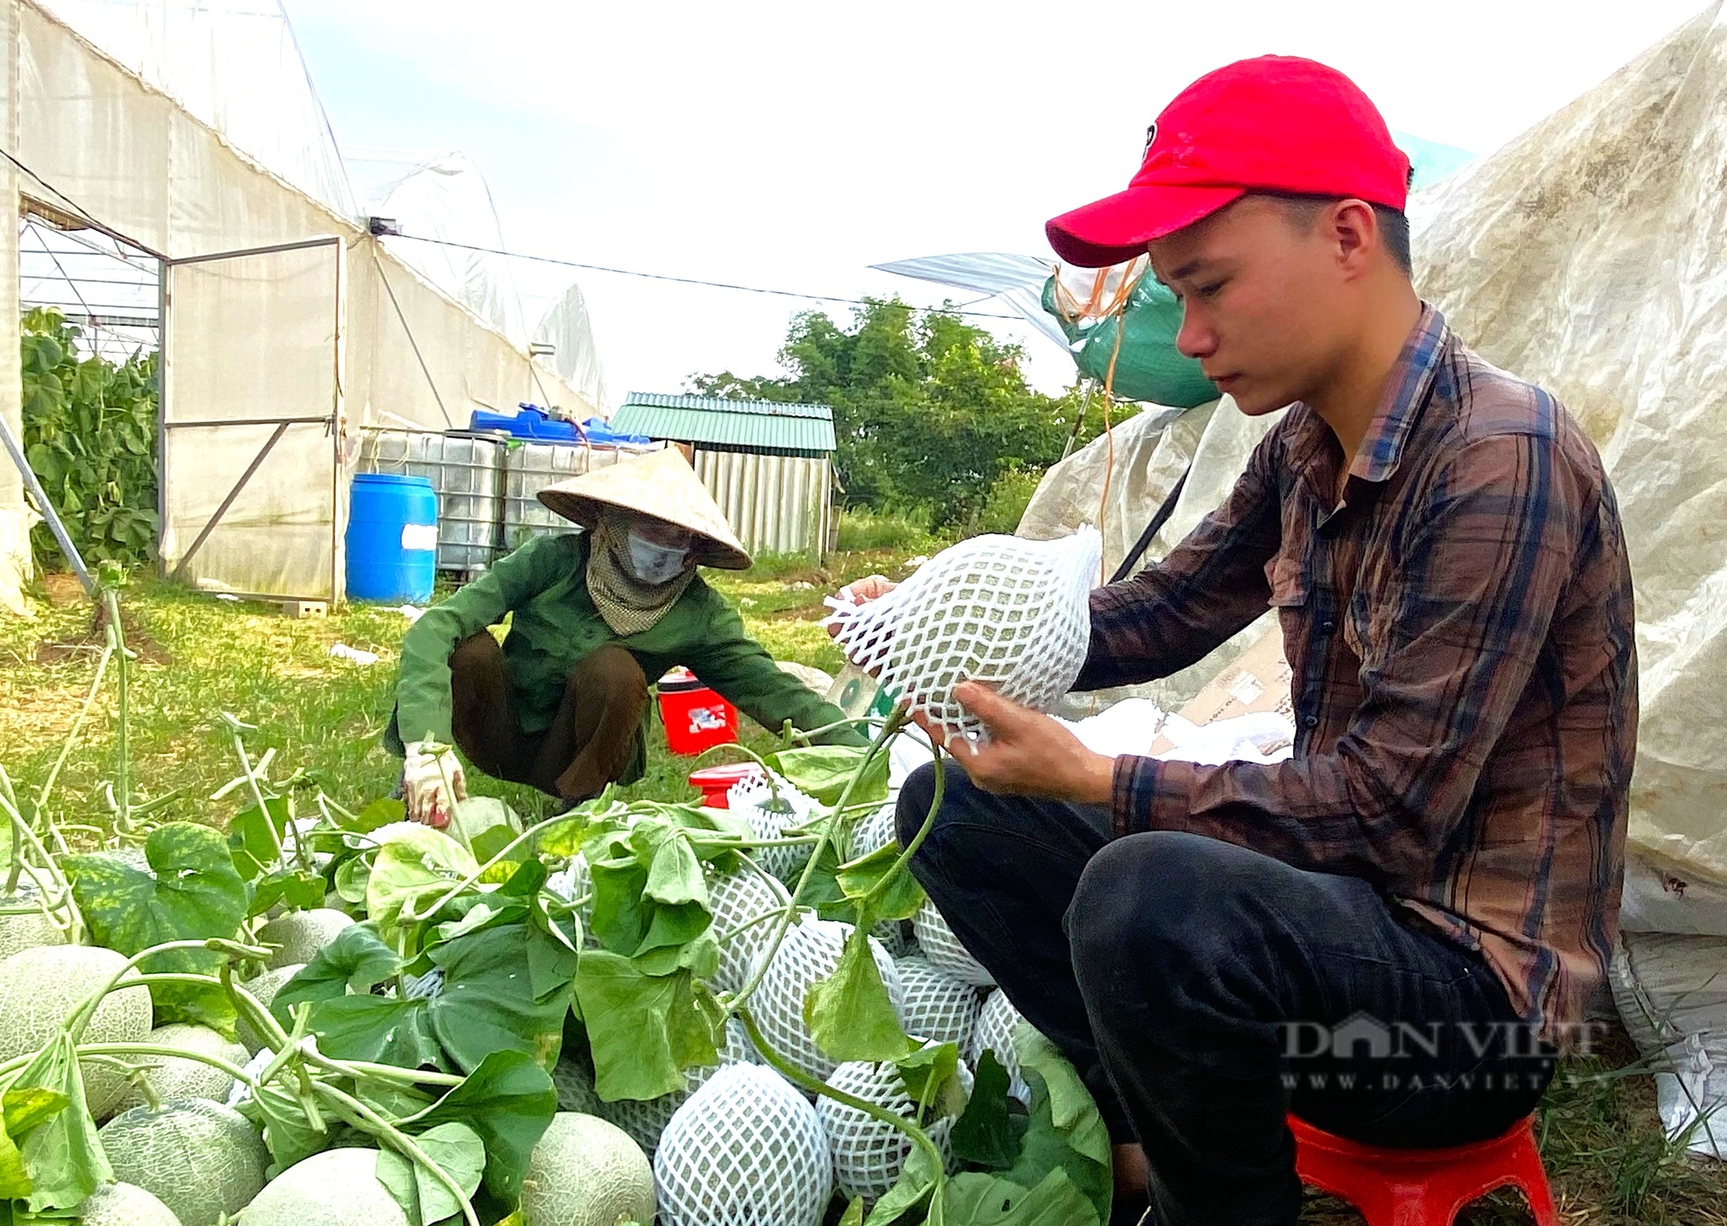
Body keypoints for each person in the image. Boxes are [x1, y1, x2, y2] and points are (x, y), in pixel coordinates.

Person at [842, 57, 1636, 1226]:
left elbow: (1383, 810)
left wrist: (1099, 776)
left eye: (1208, 286)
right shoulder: (1303, 447)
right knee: (951, 809)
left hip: (1462, 1022)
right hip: (1337, 939)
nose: (1194, 334)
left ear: (1348, 237)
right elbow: (1166, 607)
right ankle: (1145, 1144)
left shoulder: (1497, 456)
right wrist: (936, 629)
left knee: (1148, 893)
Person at [388, 445, 863, 825]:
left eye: (680, 537)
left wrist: (867, 753)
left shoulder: (699, 613)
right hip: (501, 729)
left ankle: (578, 811)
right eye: (651, 528)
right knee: (469, 649)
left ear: (695, 550)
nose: (664, 546)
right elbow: (438, 626)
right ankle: (417, 788)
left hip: (581, 755)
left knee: (615, 669)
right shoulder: (551, 561)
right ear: (611, 522)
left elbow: (773, 691)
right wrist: (424, 747)